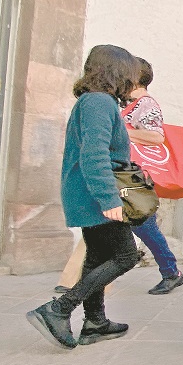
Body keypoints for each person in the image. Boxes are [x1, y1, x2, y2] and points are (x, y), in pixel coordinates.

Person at [26, 44, 144, 349]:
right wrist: (109, 199)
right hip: (96, 195)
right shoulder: (99, 104)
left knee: (97, 257)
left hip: (87, 192)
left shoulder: (94, 102)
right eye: (130, 75)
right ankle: (59, 309)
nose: (133, 81)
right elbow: (94, 155)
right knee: (126, 256)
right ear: (117, 73)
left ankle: (95, 322)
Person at [124, 58, 183, 294]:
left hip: (137, 177)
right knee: (137, 226)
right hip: (127, 175)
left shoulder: (146, 104)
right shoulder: (132, 103)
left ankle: (171, 272)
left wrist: (124, 132)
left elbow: (157, 136)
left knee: (145, 226)